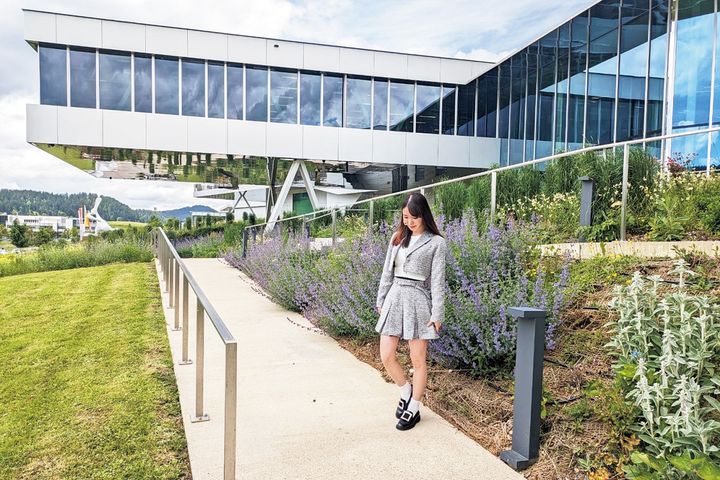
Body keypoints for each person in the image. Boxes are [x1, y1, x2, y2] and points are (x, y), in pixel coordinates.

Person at [375, 192, 446, 431]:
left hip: (418, 300)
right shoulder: (397, 238)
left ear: (424, 215)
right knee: (386, 355)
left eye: (414, 217)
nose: (410, 222)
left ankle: (414, 407)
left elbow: (438, 281)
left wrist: (437, 313)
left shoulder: (436, 243)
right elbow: (387, 272)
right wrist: (381, 299)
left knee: (418, 360)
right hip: (394, 296)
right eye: (406, 217)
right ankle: (405, 391)